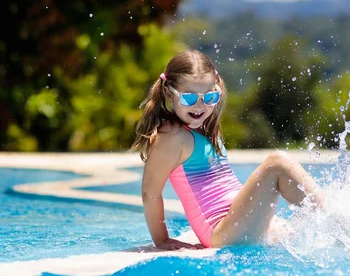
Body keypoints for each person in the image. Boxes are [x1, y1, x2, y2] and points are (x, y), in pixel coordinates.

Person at [132, 50, 324, 250]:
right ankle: (336, 220)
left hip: (235, 223)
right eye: (189, 98)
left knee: (304, 232)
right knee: (278, 163)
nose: (200, 106)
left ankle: (336, 223)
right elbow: (150, 192)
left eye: (210, 97)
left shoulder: (206, 129)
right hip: (220, 232)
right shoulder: (172, 137)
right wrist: (162, 240)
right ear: (169, 94)